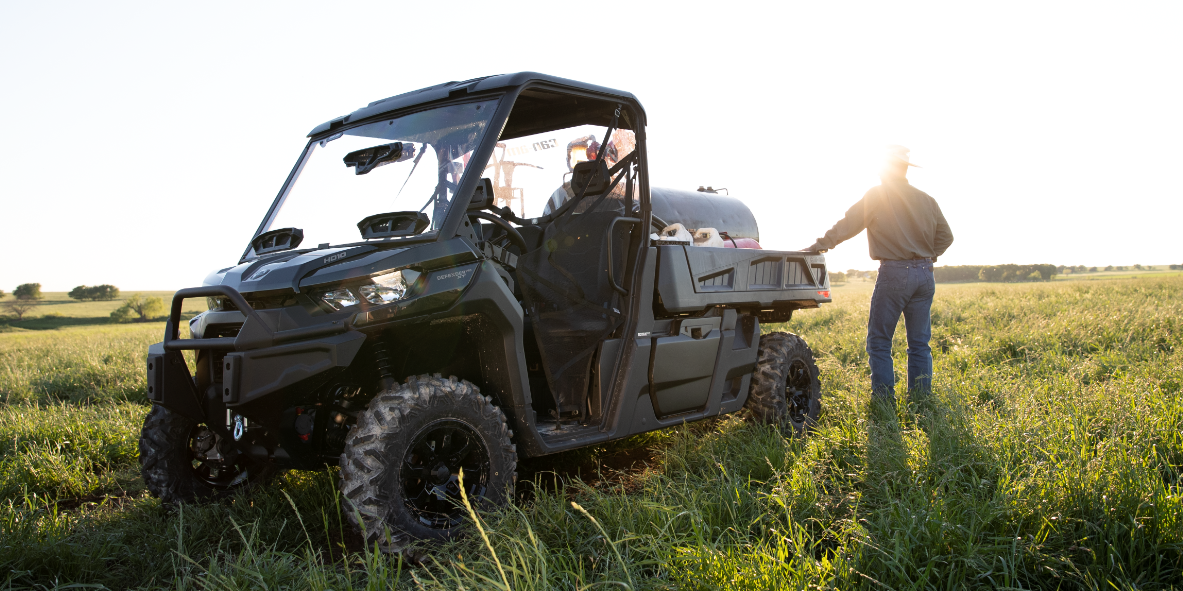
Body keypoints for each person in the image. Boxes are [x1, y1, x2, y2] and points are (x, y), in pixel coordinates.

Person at [804, 145, 953, 406]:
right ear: (905, 169)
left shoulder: (877, 195)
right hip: (925, 275)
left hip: (895, 273)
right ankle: (921, 401)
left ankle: (884, 403)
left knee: (880, 340)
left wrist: (818, 245)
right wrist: (928, 256)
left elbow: (847, 225)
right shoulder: (927, 199)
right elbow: (946, 237)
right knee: (920, 343)